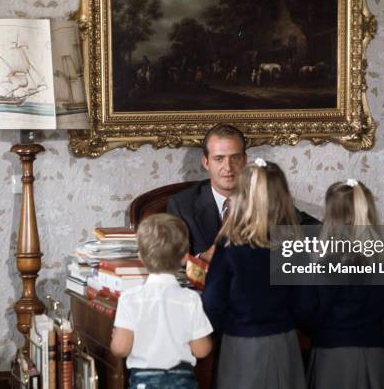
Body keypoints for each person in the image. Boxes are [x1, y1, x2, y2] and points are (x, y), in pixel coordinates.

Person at [201, 159, 306, 389]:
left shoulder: (228, 247)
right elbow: (304, 303)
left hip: (240, 345)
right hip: (283, 341)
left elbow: (212, 302)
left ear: (240, 197)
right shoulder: (293, 246)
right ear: (283, 198)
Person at [167, 123, 319, 262]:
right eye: (219, 159)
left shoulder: (265, 195)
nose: (228, 167)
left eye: (235, 158)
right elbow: (172, 260)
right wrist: (202, 258)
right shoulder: (182, 205)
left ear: (245, 160)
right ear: (206, 163)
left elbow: (315, 230)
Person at [304, 179, 384, 389]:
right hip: (374, 353)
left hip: (335, 357)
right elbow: (382, 308)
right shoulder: (381, 259)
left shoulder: (329, 262)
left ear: (331, 216)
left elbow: (311, 314)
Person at [110, 213, 213, 389]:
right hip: (182, 382)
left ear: (141, 257)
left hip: (143, 382)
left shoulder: (130, 299)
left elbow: (121, 348)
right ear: (184, 257)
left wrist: (115, 338)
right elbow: (201, 350)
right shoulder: (190, 299)